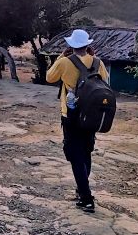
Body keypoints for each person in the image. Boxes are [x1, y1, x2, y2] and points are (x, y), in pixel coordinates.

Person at [45, 29, 109, 213]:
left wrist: (59, 58)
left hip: (71, 116)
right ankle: (83, 191)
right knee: (86, 152)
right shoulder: (98, 62)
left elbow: (50, 78)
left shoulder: (65, 62)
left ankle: (86, 198)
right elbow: (105, 82)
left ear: (71, 46)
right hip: (92, 116)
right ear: (88, 45)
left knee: (75, 156)